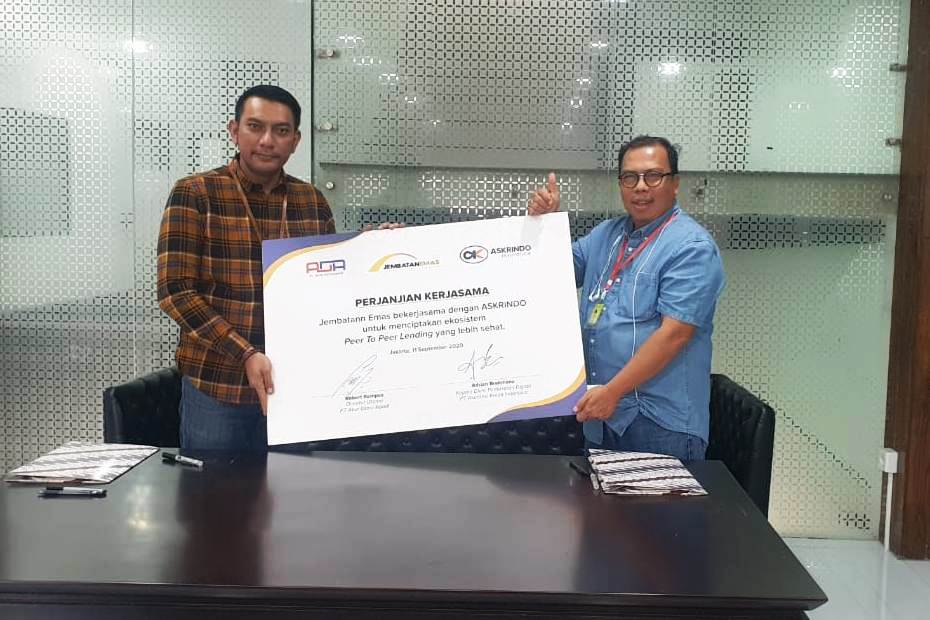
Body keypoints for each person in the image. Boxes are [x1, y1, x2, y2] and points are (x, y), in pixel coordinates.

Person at [157, 84, 335, 451]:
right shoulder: (196, 193)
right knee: (214, 487)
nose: (267, 141)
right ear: (234, 130)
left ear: (295, 141)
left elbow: (331, 283)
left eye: (281, 131)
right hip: (218, 387)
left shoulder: (311, 201)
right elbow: (175, 291)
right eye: (255, 127)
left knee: (295, 485)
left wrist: (376, 250)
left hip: (294, 386)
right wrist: (246, 353)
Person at [528, 135, 725, 460]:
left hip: (659, 423)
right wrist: (546, 225)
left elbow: (674, 335)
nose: (641, 187)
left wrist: (614, 392)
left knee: (654, 500)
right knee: (599, 496)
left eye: (653, 176)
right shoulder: (606, 234)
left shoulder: (691, 248)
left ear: (675, 183)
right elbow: (555, 273)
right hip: (601, 416)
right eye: (630, 177)